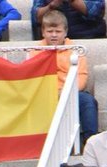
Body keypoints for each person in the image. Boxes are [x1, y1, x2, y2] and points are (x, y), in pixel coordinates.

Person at [34, 9, 96, 143]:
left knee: (87, 101)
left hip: (71, 92)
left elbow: (82, 77)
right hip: (45, 94)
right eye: (50, 31)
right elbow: (33, 78)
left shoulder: (76, 50)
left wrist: (66, 91)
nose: (54, 35)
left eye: (58, 31)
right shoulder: (35, 51)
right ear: (43, 32)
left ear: (65, 32)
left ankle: (90, 142)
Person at [32, 0, 105, 39]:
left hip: (89, 38)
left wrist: (72, 1)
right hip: (54, 40)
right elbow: (36, 19)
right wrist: (51, 6)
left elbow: (97, 13)